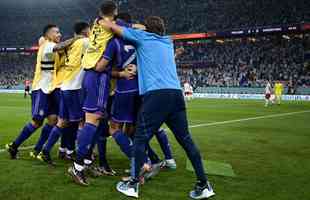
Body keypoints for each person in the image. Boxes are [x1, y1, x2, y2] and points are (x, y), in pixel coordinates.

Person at [101, 16, 215, 199]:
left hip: (156, 95)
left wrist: (116, 23)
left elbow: (110, 26)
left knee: (139, 139)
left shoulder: (143, 37)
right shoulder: (167, 42)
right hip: (176, 95)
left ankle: (132, 184)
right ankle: (204, 184)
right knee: (186, 140)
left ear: (145, 29)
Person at [38, 22, 91, 164]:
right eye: (90, 30)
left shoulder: (70, 44)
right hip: (75, 88)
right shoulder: (86, 41)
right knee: (82, 122)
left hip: (65, 87)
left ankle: (46, 151)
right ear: (86, 31)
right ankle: (82, 159)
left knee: (62, 122)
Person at [6, 24, 61, 159]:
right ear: (48, 35)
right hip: (41, 88)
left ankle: (37, 150)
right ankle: (14, 146)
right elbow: (59, 47)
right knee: (37, 121)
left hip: (51, 88)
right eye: (56, 32)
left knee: (53, 120)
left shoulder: (47, 43)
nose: (60, 34)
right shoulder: (48, 45)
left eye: (60, 32)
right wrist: (77, 40)